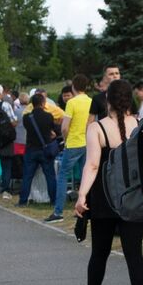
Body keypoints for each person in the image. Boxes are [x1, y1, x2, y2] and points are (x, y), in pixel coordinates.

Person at [75, 78, 143, 285]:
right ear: (130, 100)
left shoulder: (97, 128)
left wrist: (82, 194)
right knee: (134, 254)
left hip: (104, 197)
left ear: (107, 101)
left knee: (100, 252)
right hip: (134, 197)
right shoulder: (140, 126)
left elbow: (93, 164)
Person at [51, 74, 95, 223]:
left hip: (74, 143)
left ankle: (58, 211)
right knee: (85, 177)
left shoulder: (72, 103)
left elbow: (64, 127)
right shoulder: (91, 101)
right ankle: (84, 208)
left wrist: (66, 139)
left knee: (63, 176)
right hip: (87, 143)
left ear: (73, 87)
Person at [20, 91, 60, 207]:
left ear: (32, 104)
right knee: (50, 176)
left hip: (31, 149)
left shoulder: (27, 118)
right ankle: (53, 200)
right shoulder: (48, 116)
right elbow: (53, 130)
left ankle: (23, 201)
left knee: (27, 176)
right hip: (45, 149)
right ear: (43, 103)